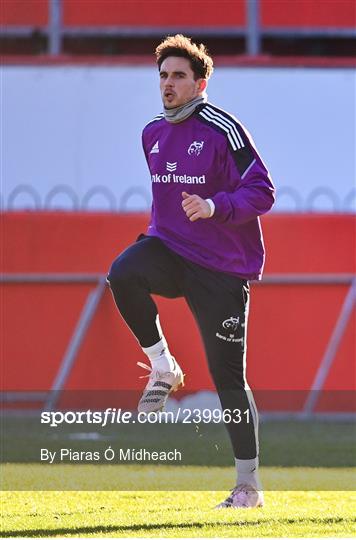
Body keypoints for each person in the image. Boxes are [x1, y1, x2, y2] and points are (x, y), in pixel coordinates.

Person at [107, 34, 275, 508]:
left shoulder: (224, 128)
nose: (168, 84)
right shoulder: (151, 133)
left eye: (178, 75)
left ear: (200, 83)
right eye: (163, 75)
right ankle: (163, 365)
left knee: (228, 380)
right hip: (169, 250)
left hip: (221, 268)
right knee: (123, 273)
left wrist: (215, 206)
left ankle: (248, 486)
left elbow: (263, 191)